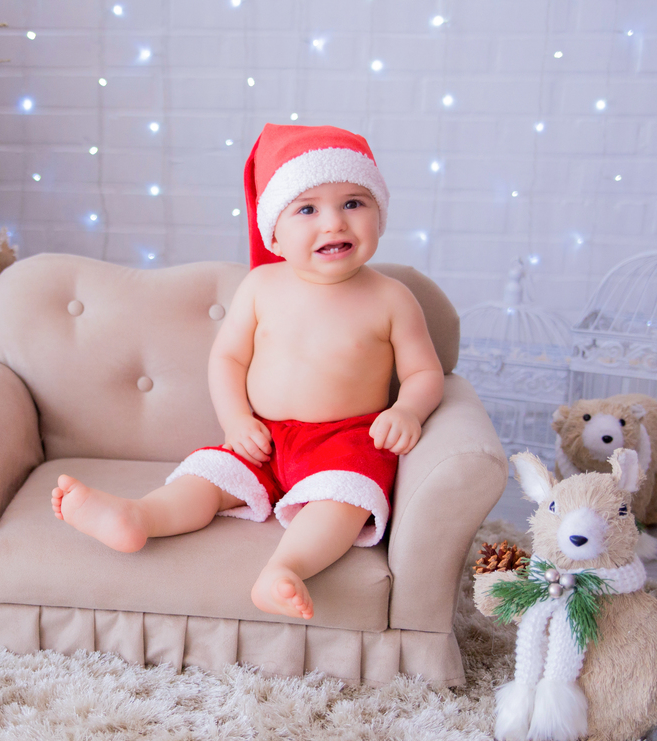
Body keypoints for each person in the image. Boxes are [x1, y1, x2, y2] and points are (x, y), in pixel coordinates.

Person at [51, 124, 444, 620]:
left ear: (380, 216)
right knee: (205, 480)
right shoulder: (261, 285)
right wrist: (237, 420)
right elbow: (228, 359)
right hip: (262, 436)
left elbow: (424, 372)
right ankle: (137, 516)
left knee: (342, 504)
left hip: (345, 442)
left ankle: (286, 568)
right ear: (274, 233)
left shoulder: (391, 298)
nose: (334, 223)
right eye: (307, 209)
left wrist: (409, 408)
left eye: (353, 203)